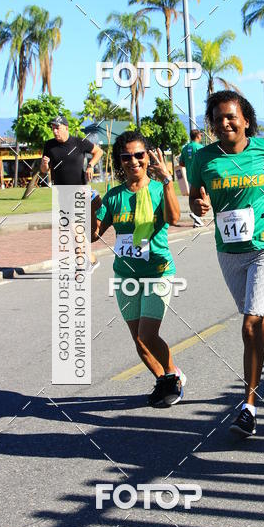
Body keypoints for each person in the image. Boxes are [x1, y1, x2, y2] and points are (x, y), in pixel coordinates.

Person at [189, 90, 264, 437]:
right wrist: (199, 207)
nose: (225, 123)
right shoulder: (202, 159)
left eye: (231, 116)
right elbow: (195, 195)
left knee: (250, 325)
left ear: (245, 119)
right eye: (218, 119)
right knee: (255, 318)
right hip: (229, 251)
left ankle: (248, 406)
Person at [92, 131, 186, 407]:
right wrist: (91, 211)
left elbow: (174, 217)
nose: (133, 161)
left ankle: (172, 376)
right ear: (119, 162)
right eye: (126, 156)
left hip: (157, 272)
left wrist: (168, 180)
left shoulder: (158, 189)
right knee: (138, 340)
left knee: (148, 334)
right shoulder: (113, 197)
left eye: (138, 155)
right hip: (125, 276)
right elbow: (93, 235)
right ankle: (164, 378)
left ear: (148, 157)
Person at [41, 114, 104, 267]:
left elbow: (99, 152)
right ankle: (92, 259)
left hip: (79, 191)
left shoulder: (79, 142)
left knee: (75, 228)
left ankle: (82, 264)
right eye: (53, 128)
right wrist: (44, 164)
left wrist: (90, 165)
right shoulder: (49, 146)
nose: (55, 131)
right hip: (62, 193)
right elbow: (43, 170)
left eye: (58, 128)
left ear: (66, 128)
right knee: (73, 230)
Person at [179, 130, 204, 226]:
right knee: (202, 197)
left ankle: (196, 220)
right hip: (200, 176)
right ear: (197, 136)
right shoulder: (200, 147)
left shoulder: (185, 148)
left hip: (190, 177)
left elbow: (181, 163)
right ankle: (196, 216)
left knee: (193, 197)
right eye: (200, 135)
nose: (201, 137)